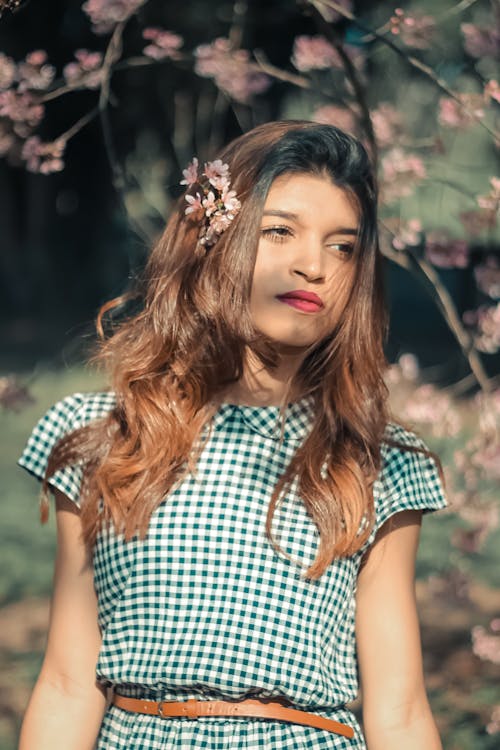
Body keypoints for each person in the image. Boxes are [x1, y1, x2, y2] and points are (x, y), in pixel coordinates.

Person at [17, 120, 448, 750]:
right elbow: (64, 684)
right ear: (215, 240)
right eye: (280, 231)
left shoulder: (377, 460)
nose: (314, 266)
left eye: (343, 247)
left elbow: (401, 710)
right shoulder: (104, 437)